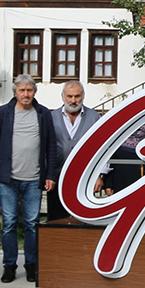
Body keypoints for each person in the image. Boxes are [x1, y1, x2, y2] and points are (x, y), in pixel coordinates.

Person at [0, 75, 57, 284]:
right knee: (9, 224)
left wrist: (50, 174)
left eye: (30, 90)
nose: (26, 94)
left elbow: (51, 146)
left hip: (34, 180)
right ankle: (9, 266)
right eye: (22, 90)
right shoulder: (4, 114)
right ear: (15, 92)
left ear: (34, 92)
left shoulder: (42, 114)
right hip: (8, 179)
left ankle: (31, 265)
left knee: (32, 224)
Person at [49, 81, 99, 221]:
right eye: (69, 96)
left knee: (84, 218)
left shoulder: (94, 117)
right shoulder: (51, 118)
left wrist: (100, 174)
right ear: (62, 96)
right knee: (57, 218)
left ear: (83, 96)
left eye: (77, 96)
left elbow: (101, 146)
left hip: (85, 177)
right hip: (57, 176)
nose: (73, 100)